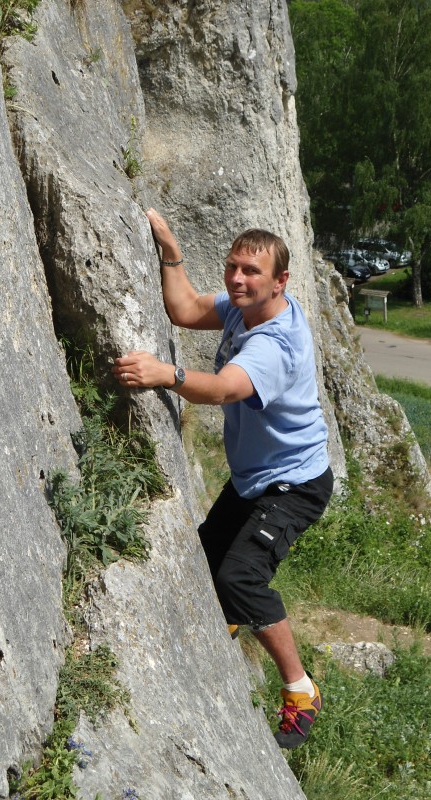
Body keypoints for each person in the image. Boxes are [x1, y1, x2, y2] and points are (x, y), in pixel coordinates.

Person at [112, 208, 333, 749]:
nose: (237, 279)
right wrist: (169, 247)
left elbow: (226, 388)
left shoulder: (276, 344)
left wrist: (167, 374)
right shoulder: (243, 310)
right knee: (204, 561)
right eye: (233, 267)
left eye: (251, 272)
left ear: (280, 282)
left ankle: (300, 689)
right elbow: (185, 308)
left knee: (239, 578)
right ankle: (228, 628)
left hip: (294, 484)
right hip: (256, 477)